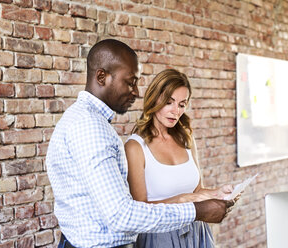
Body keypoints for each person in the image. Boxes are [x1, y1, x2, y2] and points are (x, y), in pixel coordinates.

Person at [46, 39, 235, 248]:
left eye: (182, 104)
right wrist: (196, 209)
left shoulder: (90, 121)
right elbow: (122, 214)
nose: (136, 92)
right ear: (102, 77)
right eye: (130, 82)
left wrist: (214, 195)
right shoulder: (91, 127)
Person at [125, 69, 238, 247]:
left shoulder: (186, 138)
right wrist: (181, 199)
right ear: (155, 99)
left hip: (198, 231)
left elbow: (197, 191)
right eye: (169, 102)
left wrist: (218, 193)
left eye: (182, 104)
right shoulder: (135, 147)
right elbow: (139, 210)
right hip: (160, 237)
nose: (176, 111)